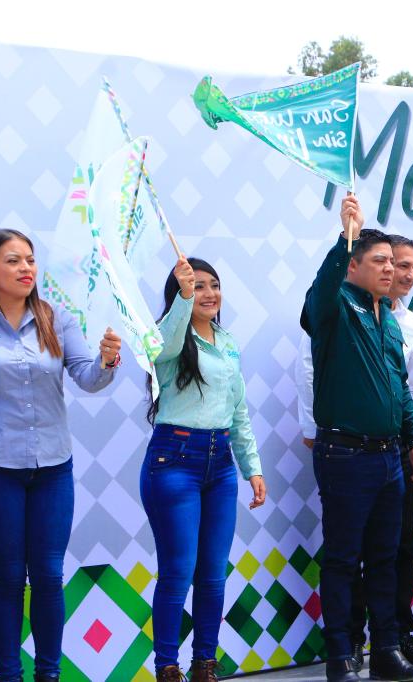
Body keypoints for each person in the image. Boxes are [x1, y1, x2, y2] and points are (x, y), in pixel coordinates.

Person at [0, 229, 121, 682]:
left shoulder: (56, 318)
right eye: (13, 260)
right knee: (10, 577)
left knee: (50, 576)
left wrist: (107, 361)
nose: (26, 268)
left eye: (30, 259)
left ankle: (49, 676)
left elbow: (87, 377)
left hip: (53, 466)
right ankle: (9, 676)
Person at [295, 234, 413, 673]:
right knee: (344, 558)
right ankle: (341, 656)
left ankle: (386, 651)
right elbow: (320, 290)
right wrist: (344, 237)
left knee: (386, 558)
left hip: (389, 457)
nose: (390, 268)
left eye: (392, 262)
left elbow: (401, 388)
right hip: (345, 454)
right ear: (353, 265)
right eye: (380, 260)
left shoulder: (391, 321)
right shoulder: (335, 307)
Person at [141, 255, 266, 682]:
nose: (209, 294)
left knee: (213, 574)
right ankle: (167, 667)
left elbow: (239, 411)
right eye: (199, 287)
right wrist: (183, 296)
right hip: (174, 460)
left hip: (221, 464)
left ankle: (205, 665)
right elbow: (162, 348)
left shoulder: (228, 343)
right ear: (180, 293)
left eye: (214, 285)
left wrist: (252, 468)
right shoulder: (168, 337)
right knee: (178, 572)